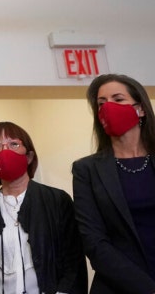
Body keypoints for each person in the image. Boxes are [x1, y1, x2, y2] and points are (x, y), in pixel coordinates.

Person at [0, 122, 87, 294]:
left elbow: (73, 262)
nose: (4, 151)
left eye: (13, 144)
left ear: (29, 156)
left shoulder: (57, 200)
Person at [72, 74, 155, 293]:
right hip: (118, 286)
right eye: (101, 104)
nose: (108, 108)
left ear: (141, 109)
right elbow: (94, 242)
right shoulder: (86, 170)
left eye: (118, 99)